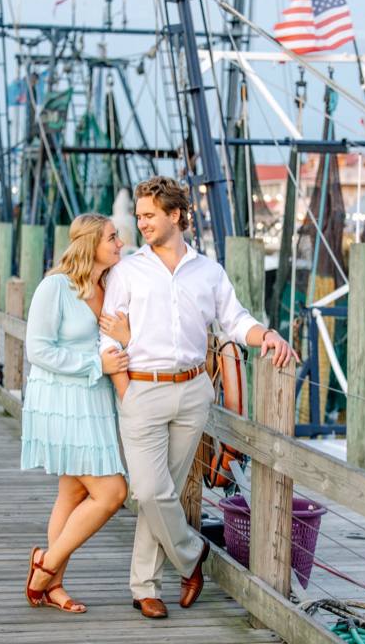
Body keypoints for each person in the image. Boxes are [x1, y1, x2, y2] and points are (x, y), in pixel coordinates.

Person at [100, 177, 295, 620]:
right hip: (142, 389)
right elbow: (106, 334)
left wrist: (265, 335)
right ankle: (193, 557)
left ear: (175, 216)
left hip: (192, 392)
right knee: (149, 490)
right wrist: (125, 387)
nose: (141, 223)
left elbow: (235, 319)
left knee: (162, 490)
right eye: (139, 216)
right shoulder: (129, 271)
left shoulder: (209, 272)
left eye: (150, 215)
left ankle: (145, 587)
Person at [21, 213, 133, 614]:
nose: (120, 243)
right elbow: (38, 350)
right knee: (112, 492)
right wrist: (94, 363)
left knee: (74, 491)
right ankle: (45, 567)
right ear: (90, 244)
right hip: (60, 402)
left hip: (93, 402)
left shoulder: (111, 286)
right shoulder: (55, 287)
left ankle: (54, 586)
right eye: (112, 237)